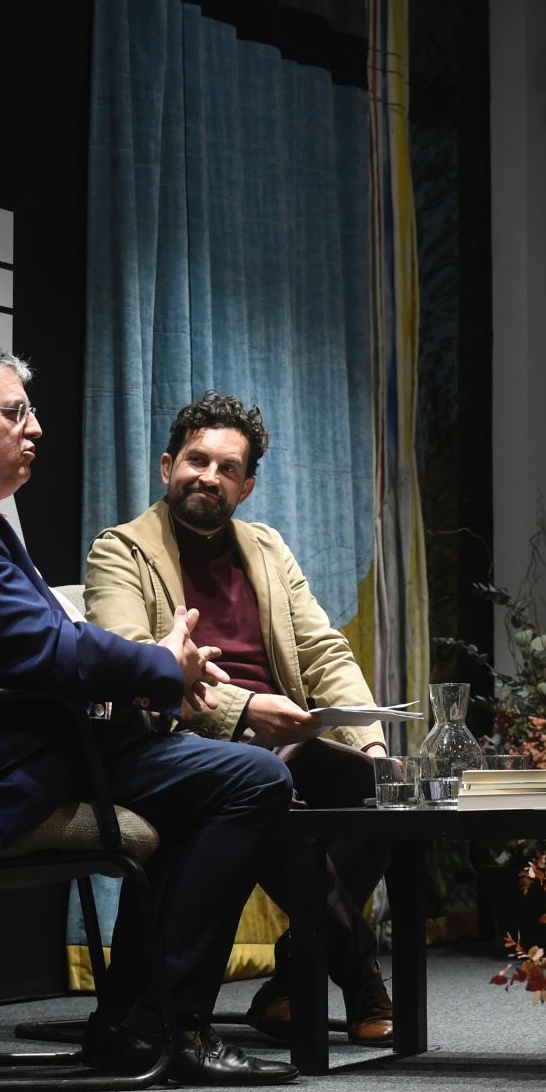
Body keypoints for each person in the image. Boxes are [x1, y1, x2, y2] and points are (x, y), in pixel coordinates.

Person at [0, 340, 297, 1086]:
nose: (37, 427)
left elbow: (34, 644)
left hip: (17, 738)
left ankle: (132, 1023)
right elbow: (50, 652)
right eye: (16, 411)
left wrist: (152, 676)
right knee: (252, 780)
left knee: (220, 775)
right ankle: (164, 1025)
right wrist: (163, 667)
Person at [84, 390, 394, 1046]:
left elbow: (323, 649)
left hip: (289, 738)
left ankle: (296, 973)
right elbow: (132, 663)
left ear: (246, 486)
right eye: (197, 459)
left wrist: (367, 738)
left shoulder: (267, 549)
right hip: (185, 742)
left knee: (386, 784)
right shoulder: (119, 551)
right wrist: (244, 709)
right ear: (168, 464)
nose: (209, 476)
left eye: (228, 468)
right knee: (262, 780)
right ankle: (354, 968)